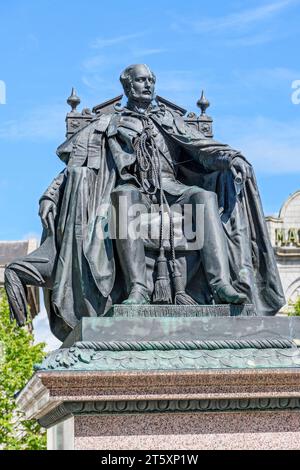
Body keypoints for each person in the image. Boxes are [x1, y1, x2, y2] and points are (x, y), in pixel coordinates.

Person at [5, 64, 285, 341]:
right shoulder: (107, 124)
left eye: (151, 80)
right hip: (132, 188)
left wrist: (230, 158)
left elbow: (204, 151)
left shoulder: (170, 121)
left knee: (204, 197)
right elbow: (74, 169)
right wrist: (51, 195)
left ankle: (220, 283)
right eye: (141, 80)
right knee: (123, 198)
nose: (148, 84)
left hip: (171, 188)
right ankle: (138, 289)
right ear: (127, 85)